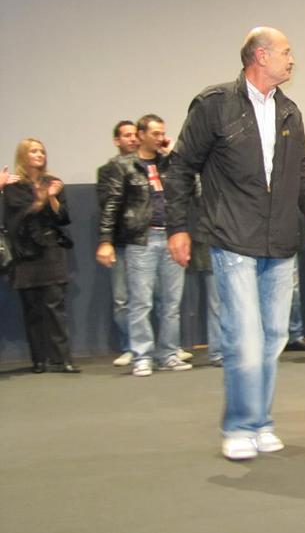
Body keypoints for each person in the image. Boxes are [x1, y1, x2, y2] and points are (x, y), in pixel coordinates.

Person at [164, 26, 305, 461]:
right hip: (233, 239)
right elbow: (180, 167)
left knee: (273, 337)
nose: (292, 59)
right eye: (286, 52)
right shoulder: (214, 104)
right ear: (260, 56)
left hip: (280, 243)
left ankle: (261, 423)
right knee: (246, 338)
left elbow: (303, 172)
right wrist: (177, 226)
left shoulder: (289, 111)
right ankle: (238, 427)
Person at [96, 114, 192, 376]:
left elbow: (193, 190)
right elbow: (112, 204)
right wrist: (105, 240)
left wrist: (175, 157)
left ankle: (169, 354)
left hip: (172, 237)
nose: (160, 138)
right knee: (140, 301)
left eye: (162, 133)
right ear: (141, 135)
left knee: (171, 302)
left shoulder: (170, 164)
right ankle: (142, 356)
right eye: (155, 133)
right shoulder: (123, 166)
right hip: (142, 239)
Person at [3, 139, 80, 373]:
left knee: (55, 304)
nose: (39, 155)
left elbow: (63, 217)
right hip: (25, 251)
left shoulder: (53, 182)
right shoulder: (14, 186)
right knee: (32, 308)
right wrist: (42, 198)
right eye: (34, 151)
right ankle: (39, 359)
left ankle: (62, 359)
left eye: (42, 151)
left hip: (50, 248)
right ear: (23, 156)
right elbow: (20, 216)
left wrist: (53, 197)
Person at [95, 120, 140, 366]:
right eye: (127, 135)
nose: (132, 139)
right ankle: (130, 346)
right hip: (122, 241)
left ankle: (161, 347)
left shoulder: (150, 165)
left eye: (135, 134)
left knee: (152, 297)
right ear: (117, 140)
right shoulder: (107, 170)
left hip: (146, 241)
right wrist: (107, 240)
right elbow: (108, 206)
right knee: (122, 299)